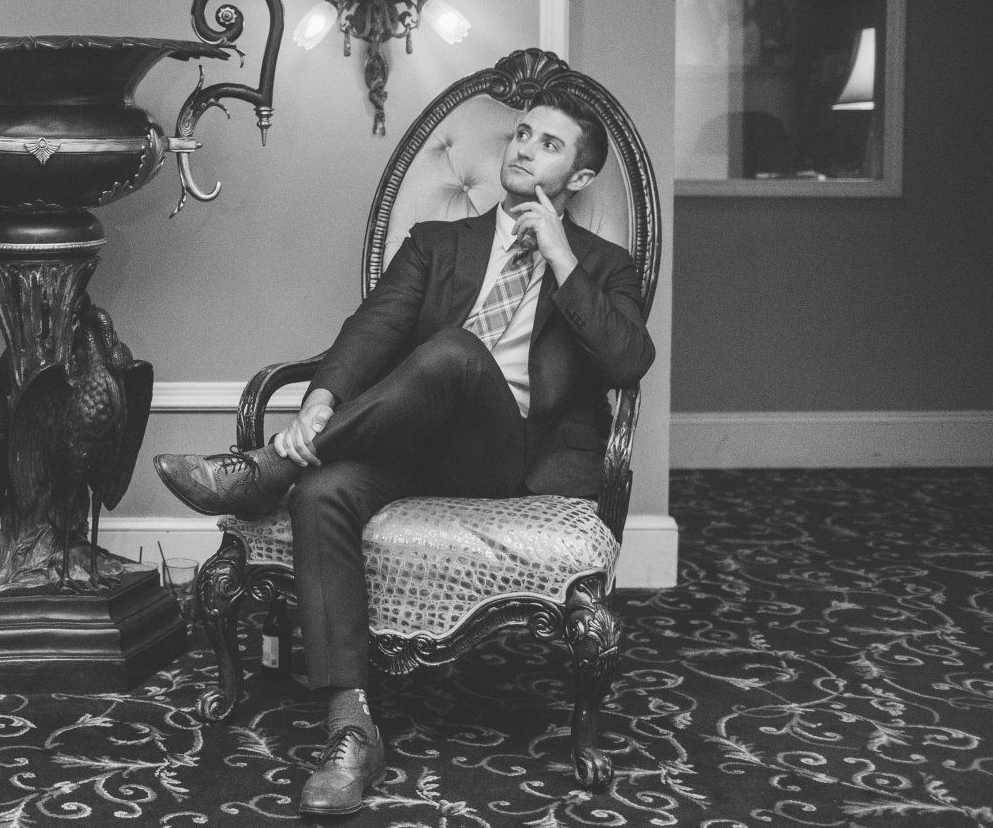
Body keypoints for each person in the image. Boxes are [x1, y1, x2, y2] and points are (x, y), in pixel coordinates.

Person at [154, 92, 654, 818]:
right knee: (322, 492)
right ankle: (351, 728)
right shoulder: (436, 243)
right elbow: (372, 330)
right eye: (521, 133)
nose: (522, 148)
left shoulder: (603, 267)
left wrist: (558, 253)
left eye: (548, 144)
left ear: (578, 177)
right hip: (407, 441)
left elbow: (627, 360)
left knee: (454, 351)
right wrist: (322, 397)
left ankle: (266, 469)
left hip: (507, 456)